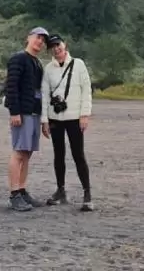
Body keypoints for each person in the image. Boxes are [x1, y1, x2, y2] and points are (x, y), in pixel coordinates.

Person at [40, 34, 94, 212]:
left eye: (58, 44)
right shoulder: (48, 69)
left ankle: (87, 194)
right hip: (56, 118)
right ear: (50, 50)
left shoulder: (78, 64)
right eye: (53, 46)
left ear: (65, 45)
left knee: (78, 154)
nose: (56, 48)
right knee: (58, 154)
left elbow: (86, 90)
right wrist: (44, 120)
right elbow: (45, 95)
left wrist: (85, 114)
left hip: (74, 117)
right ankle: (60, 190)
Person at [3, 26, 49, 212]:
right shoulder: (18, 58)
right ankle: (14, 195)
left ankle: (22, 190)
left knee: (27, 152)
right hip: (22, 112)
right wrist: (14, 111)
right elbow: (11, 85)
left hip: (34, 112)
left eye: (43, 40)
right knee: (18, 152)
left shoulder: (37, 63)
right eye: (38, 37)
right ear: (28, 38)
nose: (40, 41)